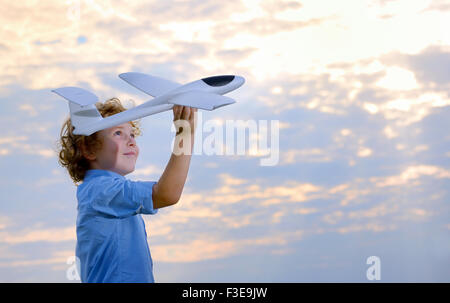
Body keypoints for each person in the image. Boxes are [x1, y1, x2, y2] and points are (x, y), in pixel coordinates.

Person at [57, 97, 196, 282]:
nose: (131, 142)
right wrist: (184, 135)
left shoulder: (108, 191)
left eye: (132, 135)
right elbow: (167, 194)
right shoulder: (101, 190)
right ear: (89, 149)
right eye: (117, 133)